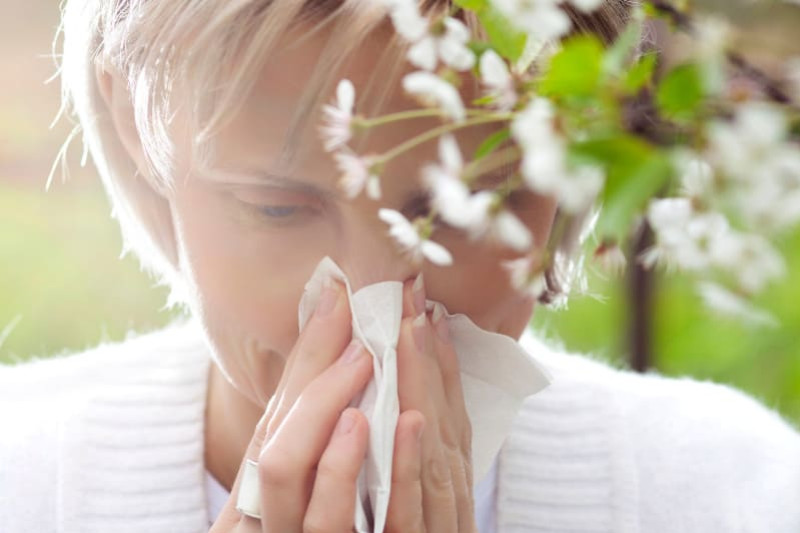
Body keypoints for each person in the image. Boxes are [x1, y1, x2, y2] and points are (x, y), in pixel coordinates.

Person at [1, 0, 799, 532]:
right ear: (142, 134)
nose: (377, 306)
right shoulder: (24, 482)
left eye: (463, 209)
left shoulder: (732, 492)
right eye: (276, 207)